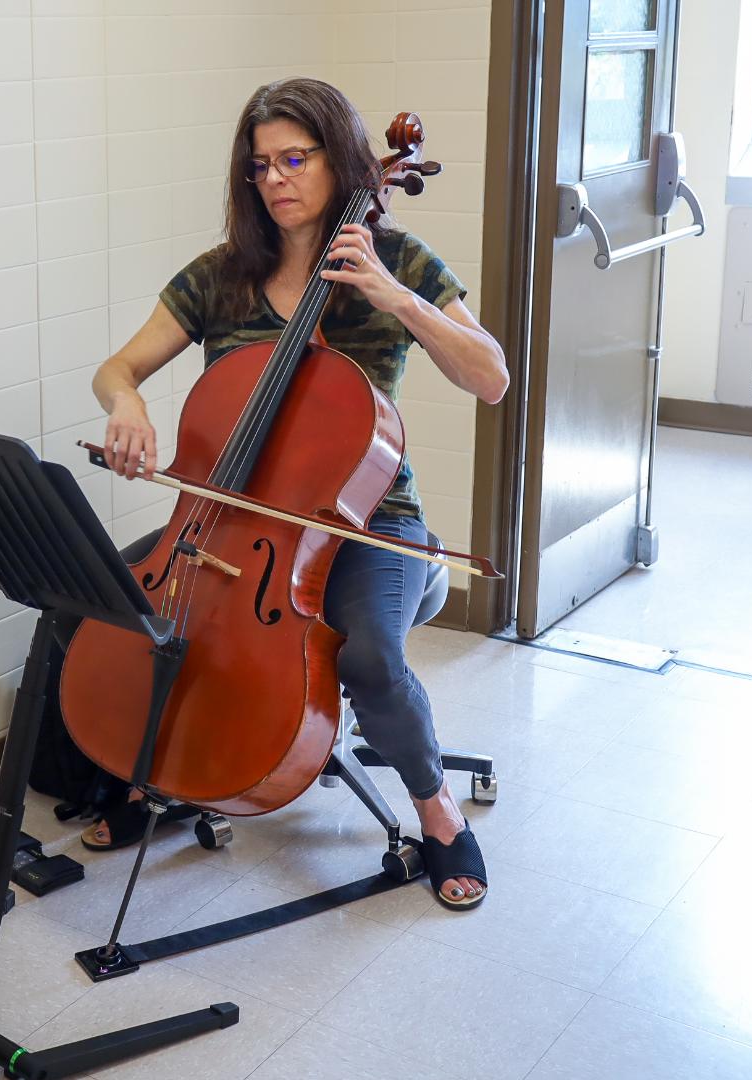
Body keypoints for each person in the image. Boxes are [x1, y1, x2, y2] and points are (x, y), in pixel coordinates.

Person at [76, 78, 509, 910]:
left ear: (340, 160)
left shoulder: (402, 260)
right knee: (112, 610)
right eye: (260, 165)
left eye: (295, 159)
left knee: (371, 656)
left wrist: (392, 294)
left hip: (371, 525)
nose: (275, 179)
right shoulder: (220, 278)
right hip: (227, 520)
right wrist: (125, 402)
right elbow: (117, 368)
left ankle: (439, 815)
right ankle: (153, 778)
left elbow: (490, 377)